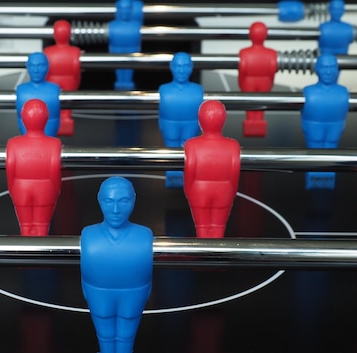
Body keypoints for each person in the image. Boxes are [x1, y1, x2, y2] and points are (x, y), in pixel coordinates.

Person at [80, 176, 153, 353]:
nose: (115, 209)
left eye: (123, 201)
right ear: (100, 200)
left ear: (133, 201)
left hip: (133, 293)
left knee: (126, 335)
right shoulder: (88, 235)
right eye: (109, 201)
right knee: (104, 334)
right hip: (99, 292)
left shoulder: (145, 235)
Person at [183, 100, 240, 238]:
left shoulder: (191, 145)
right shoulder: (233, 145)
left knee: (201, 227)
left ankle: (204, 253)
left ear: (200, 120)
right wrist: (230, 192)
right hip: (224, 191)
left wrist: (189, 191)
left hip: (199, 190)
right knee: (219, 227)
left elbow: (189, 171)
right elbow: (234, 173)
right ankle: (215, 252)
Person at [6, 99, 62, 236]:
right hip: (45, 189)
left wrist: (13, 189)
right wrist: (55, 189)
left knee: (25, 226)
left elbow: (10, 169)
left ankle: (28, 250)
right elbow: (54, 170)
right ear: (47, 117)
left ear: (23, 117)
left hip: (21, 189)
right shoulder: (54, 144)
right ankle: (39, 252)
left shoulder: (13, 143)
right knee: (42, 226)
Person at [300, 53, 349, 189]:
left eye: (332, 67)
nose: (328, 72)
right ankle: (316, 173)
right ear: (317, 69)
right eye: (324, 67)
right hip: (313, 125)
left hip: (335, 125)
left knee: (331, 148)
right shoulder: (308, 91)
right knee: (315, 148)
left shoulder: (343, 92)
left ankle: (326, 173)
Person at [158, 52, 203, 187]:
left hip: (191, 125)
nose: (181, 71)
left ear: (191, 67)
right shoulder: (164, 89)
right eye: (178, 66)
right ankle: (173, 173)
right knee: (172, 150)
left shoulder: (198, 89)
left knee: (187, 151)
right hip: (169, 125)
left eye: (185, 66)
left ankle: (184, 174)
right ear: (172, 67)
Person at [238, 21, 278, 137]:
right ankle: (258, 122)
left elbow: (242, 70)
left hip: (249, 81)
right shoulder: (271, 53)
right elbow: (272, 71)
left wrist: (241, 84)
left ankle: (251, 122)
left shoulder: (244, 53)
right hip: (264, 81)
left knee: (250, 104)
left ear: (250, 35)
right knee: (260, 106)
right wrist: (269, 83)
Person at [44, 20, 81, 136]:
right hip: (69, 80)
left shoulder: (47, 51)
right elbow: (76, 70)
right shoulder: (75, 51)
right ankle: (64, 120)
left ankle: (59, 120)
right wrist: (76, 81)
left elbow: (45, 71)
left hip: (53, 80)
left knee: (55, 104)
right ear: (69, 34)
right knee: (66, 105)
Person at [16, 52, 61, 137]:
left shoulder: (54, 89)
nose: (36, 70)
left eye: (40, 66)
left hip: (50, 143)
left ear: (47, 66)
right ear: (27, 66)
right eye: (32, 66)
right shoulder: (21, 90)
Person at [108, 0, 141, 90]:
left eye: (127, 9)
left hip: (131, 50)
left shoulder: (136, 25)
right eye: (122, 9)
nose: (124, 12)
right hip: (117, 50)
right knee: (120, 72)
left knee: (128, 72)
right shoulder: (112, 25)